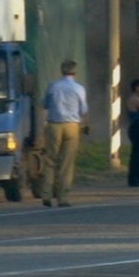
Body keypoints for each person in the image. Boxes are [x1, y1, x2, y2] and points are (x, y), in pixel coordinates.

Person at [42, 59, 87, 208]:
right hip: (72, 126)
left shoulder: (53, 86)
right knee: (66, 163)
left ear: (62, 70)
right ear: (75, 71)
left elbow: (45, 104)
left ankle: (47, 195)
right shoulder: (79, 89)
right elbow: (83, 110)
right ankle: (62, 197)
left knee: (50, 161)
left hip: (54, 125)